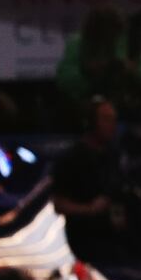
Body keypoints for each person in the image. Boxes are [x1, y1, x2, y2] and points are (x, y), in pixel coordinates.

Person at [50, 96, 128, 265]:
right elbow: (59, 204)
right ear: (90, 123)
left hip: (116, 242)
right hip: (85, 242)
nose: (112, 125)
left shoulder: (115, 156)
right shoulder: (72, 158)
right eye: (106, 119)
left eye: (114, 119)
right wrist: (90, 209)